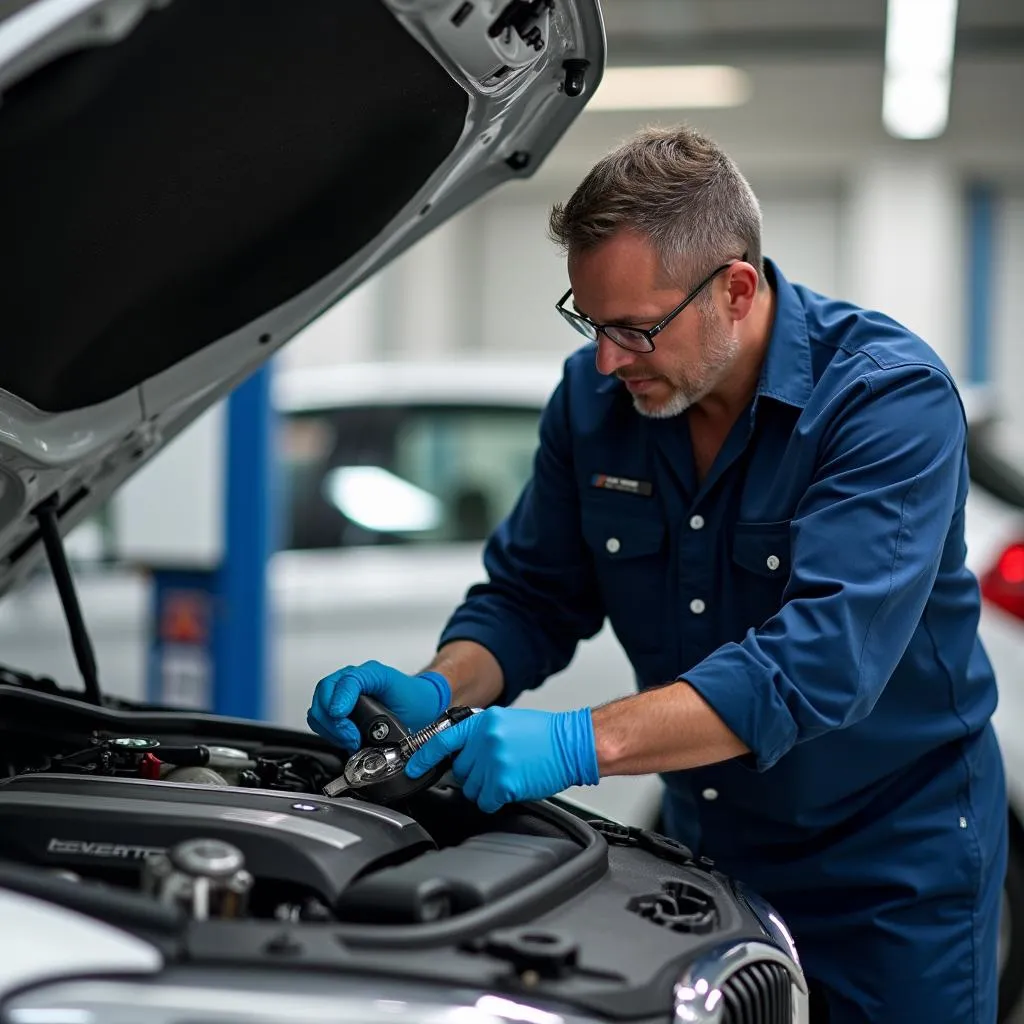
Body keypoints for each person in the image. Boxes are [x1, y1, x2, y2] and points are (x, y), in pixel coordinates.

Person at [307, 125, 1006, 1023]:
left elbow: (818, 663)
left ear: (738, 289)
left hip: (890, 870)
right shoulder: (596, 400)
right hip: (702, 853)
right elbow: (530, 596)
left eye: (635, 330)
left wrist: (573, 743)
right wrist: (436, 687)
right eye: (589, 323)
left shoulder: (881, 400)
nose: (606, 360)